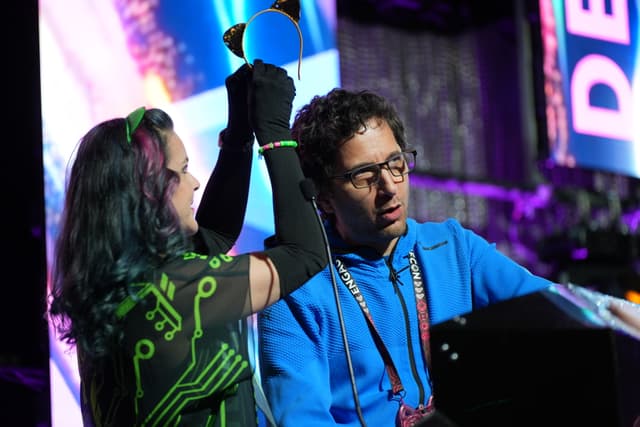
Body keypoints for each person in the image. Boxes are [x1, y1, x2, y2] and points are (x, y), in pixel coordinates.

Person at [47, 60, 327, 426]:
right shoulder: (176, 294)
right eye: (182, 170)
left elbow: (213, 237)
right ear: (148, 191)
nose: (194, 182)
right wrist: (275, 133)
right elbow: (305, 253)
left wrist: (240, 134)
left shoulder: (127, 291)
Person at [257, 88, 554, 426]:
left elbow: (560, 310)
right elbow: (301, 420)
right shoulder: (295, 285)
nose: (389, 187)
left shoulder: (454, 248)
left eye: (395, 163)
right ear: (322, 197)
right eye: (364, 175)